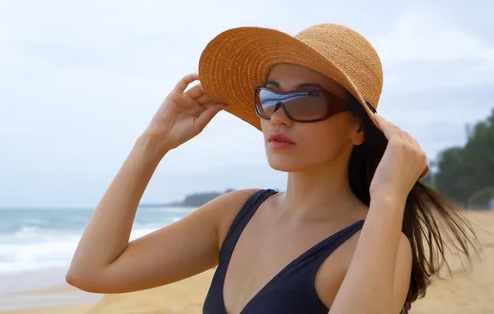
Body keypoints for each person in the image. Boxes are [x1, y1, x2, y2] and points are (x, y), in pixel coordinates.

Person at [66, 24, 478, 314]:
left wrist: (389, 194)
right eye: (271, 97)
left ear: (358, 126)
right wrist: (152, 144)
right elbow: (92, 271)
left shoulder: (378, 244)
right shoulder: (236, 214)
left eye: (307, 101)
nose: (279, 117)